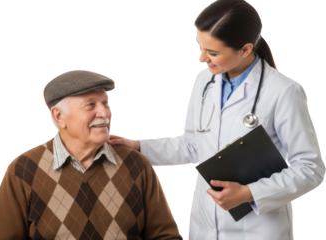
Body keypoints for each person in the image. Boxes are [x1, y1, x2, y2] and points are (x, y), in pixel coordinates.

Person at [107, 0, 326, 239]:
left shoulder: (284, 91)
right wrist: (137, 147)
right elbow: (192, 145)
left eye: (212, 53)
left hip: (257, 230)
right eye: (199, 47)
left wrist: (250, 193)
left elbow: (310, 169)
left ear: (244, 49)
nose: (201, 58)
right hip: (204, 227)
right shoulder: (204, 81)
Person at [0, 69, 185, 240]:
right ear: (58, 116)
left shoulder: (136, 164)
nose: (104, 113)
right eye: (90, 105)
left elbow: (167, 237)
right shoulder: (23, 169)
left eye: (106, 103)